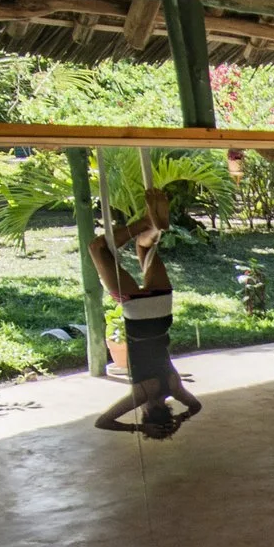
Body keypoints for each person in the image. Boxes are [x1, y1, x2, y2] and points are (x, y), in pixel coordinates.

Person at [90, 187, 201, 438]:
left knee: (144, 247)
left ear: (169, 410)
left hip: (162, 309)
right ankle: (145, 222)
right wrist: (138, 428)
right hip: (138, 314)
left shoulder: (175, 387)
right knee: (97, 248)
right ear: (146, 412)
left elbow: (196, 406)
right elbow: (102, 422)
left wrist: (181, 418)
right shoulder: (141, 394)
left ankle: (152, 227)